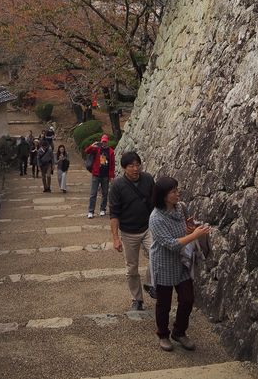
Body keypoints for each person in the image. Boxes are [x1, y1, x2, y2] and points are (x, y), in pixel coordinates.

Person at [149, 176, 211, 352]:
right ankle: (163, 334)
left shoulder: (181, 207)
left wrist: (190, 229)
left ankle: (179, 331)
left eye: (177, 189)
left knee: (187, 299)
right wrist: (195, 235)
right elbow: (172, 244)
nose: (178, 193)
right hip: (163, 263)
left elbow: (184, 229)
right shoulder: (156, 218)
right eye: (173, 191)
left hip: (182, 260)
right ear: (163, 196)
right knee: (164, 303)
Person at [108, 151, 155, 310]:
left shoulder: (148, 179)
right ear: (123, 168)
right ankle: (137, 299)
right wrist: (115, 238)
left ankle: (150, 283)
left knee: (157, 255)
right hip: (128, 232)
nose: (135, 169)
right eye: (131, 166)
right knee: (132, 268)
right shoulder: (117, 186)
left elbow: (156, 202)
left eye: (137, 165)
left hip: (149, 227)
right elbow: (114, 213)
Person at [85, 134, 115, 218]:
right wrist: (92, 145)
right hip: (96, 174)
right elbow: (87, 151)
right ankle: (91, 211)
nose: (104, 143)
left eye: (105, 141)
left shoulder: (111, 151)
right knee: (93, 193)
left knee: (105, 193)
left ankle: (103, 209)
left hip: (105, 175)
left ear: (107, 142)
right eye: (102, 141)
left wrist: (112, 176)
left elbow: (112, 164)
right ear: (101, 141)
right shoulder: (97, 149)